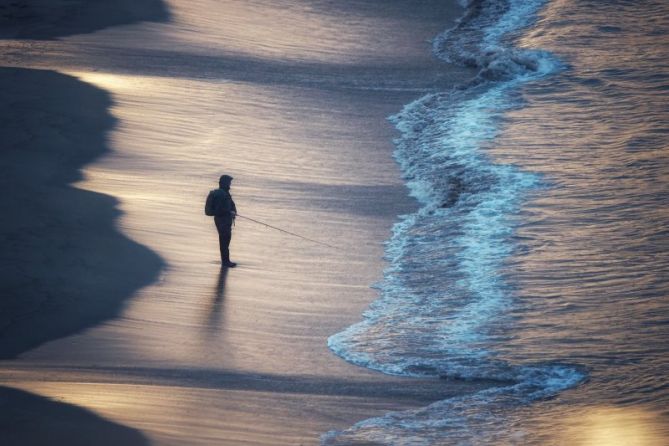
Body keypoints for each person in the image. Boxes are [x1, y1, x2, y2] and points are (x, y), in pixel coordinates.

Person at [205, 174, 237, 267]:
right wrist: (229, 212)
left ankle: (226, 261)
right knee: (224, 241)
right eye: (229, 182)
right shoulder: (221, 194)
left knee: (225, 241)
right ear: (224, 183)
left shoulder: (224, 193)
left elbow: (229, 205)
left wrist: (232, 212)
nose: (230, 184)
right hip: (222, 221)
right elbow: (220, 210)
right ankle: (226, 262)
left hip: (224, 221)